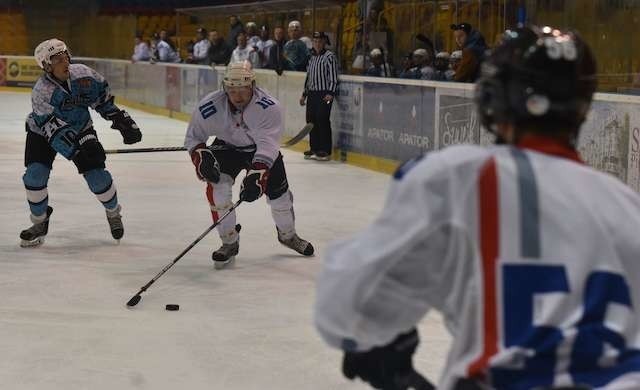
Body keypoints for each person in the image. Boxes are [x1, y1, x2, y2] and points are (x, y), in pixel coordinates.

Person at [315, 26, 640, 390]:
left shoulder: (461, 177)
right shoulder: (627, 206)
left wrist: (374, 343)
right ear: (582, 106)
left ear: (493, 97)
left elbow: (346, 304)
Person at [184, 62, 314, 269]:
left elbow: (267, 145)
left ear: (252, 85)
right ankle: (229, 242)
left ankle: (288, 235)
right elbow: (193, 137)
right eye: (232, 90)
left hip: (259, 150)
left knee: (280, 198)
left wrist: (258, 174)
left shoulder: (269, 107)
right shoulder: (210, 106)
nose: (237, 96)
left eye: (242, 90)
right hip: (227, 148)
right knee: (218, 190)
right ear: (225, 87)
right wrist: (200, 155)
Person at [20, 39, 142, 247]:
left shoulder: (83, 74)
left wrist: (120, 119)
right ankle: (39, 222)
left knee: (97, 177)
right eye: (57, 59)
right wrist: (77, 150)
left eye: (65, 55)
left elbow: (101, 100)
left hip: (80, 126)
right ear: (46, 66)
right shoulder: (42, 92)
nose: (65, 61)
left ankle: (113, 213)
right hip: (42, 133)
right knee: (34, 176)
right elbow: (53, 130)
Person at [300, 32, 338, 161]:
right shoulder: (311, 57)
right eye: (315, 41)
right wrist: (304, 94)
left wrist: (330, 93)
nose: (317, 43)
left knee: (322, 118)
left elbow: (333, 76)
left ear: (324, 42)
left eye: (320, 41)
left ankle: (325, 150)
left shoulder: (329, 57)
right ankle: (314, 148)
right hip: (312, 94)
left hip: (324, 94)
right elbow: (308, 77)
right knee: (311, 120)